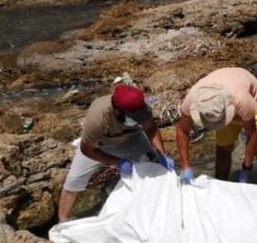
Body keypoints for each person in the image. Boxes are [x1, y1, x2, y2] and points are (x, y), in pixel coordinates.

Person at [58, 84, 174, 222]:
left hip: (130, 140)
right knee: (74, 180)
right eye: (133, 117)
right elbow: (86, 149)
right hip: (100, 145)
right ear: (118, 111)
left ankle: (153, 206)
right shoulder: (98, 117)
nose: (137, 119)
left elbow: (150, 129)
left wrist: (161, 154)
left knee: (155, 169)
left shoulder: (143, 109)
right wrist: (116, 162)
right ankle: (63, 219)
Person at [176, 67, 257, 186]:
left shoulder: (242, 100)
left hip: (254, 103)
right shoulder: (192, 99)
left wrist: (246, 168)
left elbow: (251, 134)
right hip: (227, 105)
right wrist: (185, 166)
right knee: (223, 151)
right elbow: (182, 131)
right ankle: (220, 187)